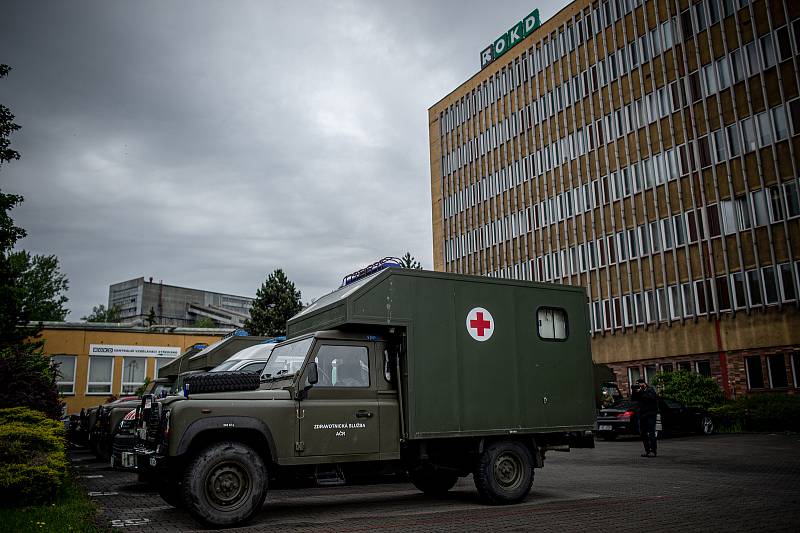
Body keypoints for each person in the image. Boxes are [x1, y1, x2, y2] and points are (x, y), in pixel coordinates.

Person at [631, 378, 658, 457]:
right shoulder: (639, 392)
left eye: (639, 384)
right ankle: (647, 450)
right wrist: (634, 391)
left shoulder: (650, 390)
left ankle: (653, 451)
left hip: (650, 414)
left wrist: (642, 391)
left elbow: (651, 398)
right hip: (642, 414)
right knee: (643, 433)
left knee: (651, 432)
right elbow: (633, 400)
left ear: (644, 384)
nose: (638, 386)